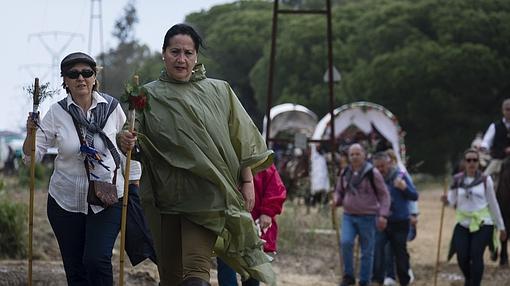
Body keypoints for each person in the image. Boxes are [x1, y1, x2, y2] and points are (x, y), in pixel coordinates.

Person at [119, 23, 274, 286]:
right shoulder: (146, 95)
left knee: (196, 275)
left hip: (206, 195)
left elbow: (240, 139)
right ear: (163, 53)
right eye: (175, 52)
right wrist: (124, 139)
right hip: (163, 197)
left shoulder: (219, 91)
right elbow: (130, 135)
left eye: (188, 53)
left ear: (196, 56)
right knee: (170, 277)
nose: (181, 59)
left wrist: (247, 182)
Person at [23, 52, 128, 285]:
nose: (81, 78)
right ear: (65, 81)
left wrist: (135, 185)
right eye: (73, 74)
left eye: (86, 73)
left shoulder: (113, 109)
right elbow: (32, 158)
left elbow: (128, 149)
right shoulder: (56, 113)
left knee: (97, 259)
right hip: (65, 201)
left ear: (94, 78)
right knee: (76, 270)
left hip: (108, 198)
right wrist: (31, 133)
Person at [441, 148, 507, 286]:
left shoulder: (485, 180)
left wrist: (501, 227)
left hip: (483, 223)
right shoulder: (457, 180)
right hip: (463, 223)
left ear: (478, 163)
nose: (472, 163)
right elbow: (452, 201)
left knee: (476, 255)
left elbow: (493, 204)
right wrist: (446, 200)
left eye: (474, 160)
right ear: (464, 163)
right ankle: (469, 278)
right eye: (468, 160)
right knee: (462, 257)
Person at [216, 163, 287, 286]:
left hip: (254, 226)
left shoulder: (261, 161)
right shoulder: (224, 158)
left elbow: (274, 187)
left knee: (253, 267)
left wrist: (267, 212)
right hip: (227, 224)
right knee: (226, 264)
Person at [333, 143, 390, 286]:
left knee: (367, 251)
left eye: (358, 154)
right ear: (348, 156)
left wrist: (383, 215)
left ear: (364, 155)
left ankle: (364, 280)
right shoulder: (344, 172)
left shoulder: (373, 173)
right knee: (346, 242)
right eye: (352, 154)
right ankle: (349, 276)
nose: (355, 157)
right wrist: (335, 199)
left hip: (368, 216)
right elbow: (339, 191)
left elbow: (384, 195)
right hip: (348, 216)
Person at [371, 152, 418, 286]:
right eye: (377, 167)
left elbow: (414, 196)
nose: (380, 169)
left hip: (400, 221)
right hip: (381, 221)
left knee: (399, 252)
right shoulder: (373, 179)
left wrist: (404, 188)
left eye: (383, 166)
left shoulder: (400, 175)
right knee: (378, 249)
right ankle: (377, 279)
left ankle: (404, 280)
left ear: (389, 164)